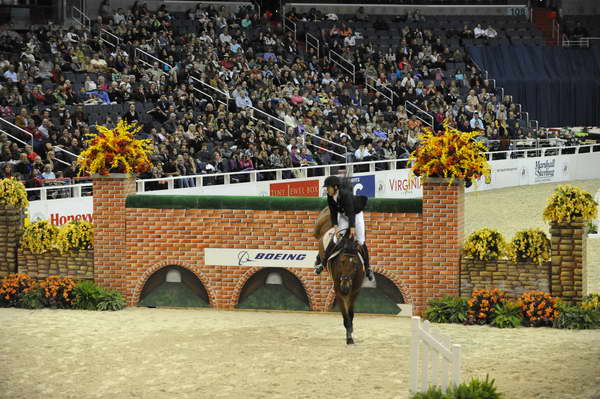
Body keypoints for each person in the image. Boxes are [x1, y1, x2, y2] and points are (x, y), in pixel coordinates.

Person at [314, 175, 374, 281]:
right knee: (335, 239)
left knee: (360, 241)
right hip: (342, 215)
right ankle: (322, 264)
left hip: (356, 214)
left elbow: (351, 213)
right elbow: (333, 213)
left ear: (336, 187)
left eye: (328, 187)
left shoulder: (345, 195)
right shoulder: (330, 196)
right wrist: (336, 228)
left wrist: (352, 228)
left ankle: (368, 267)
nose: (327, 190)